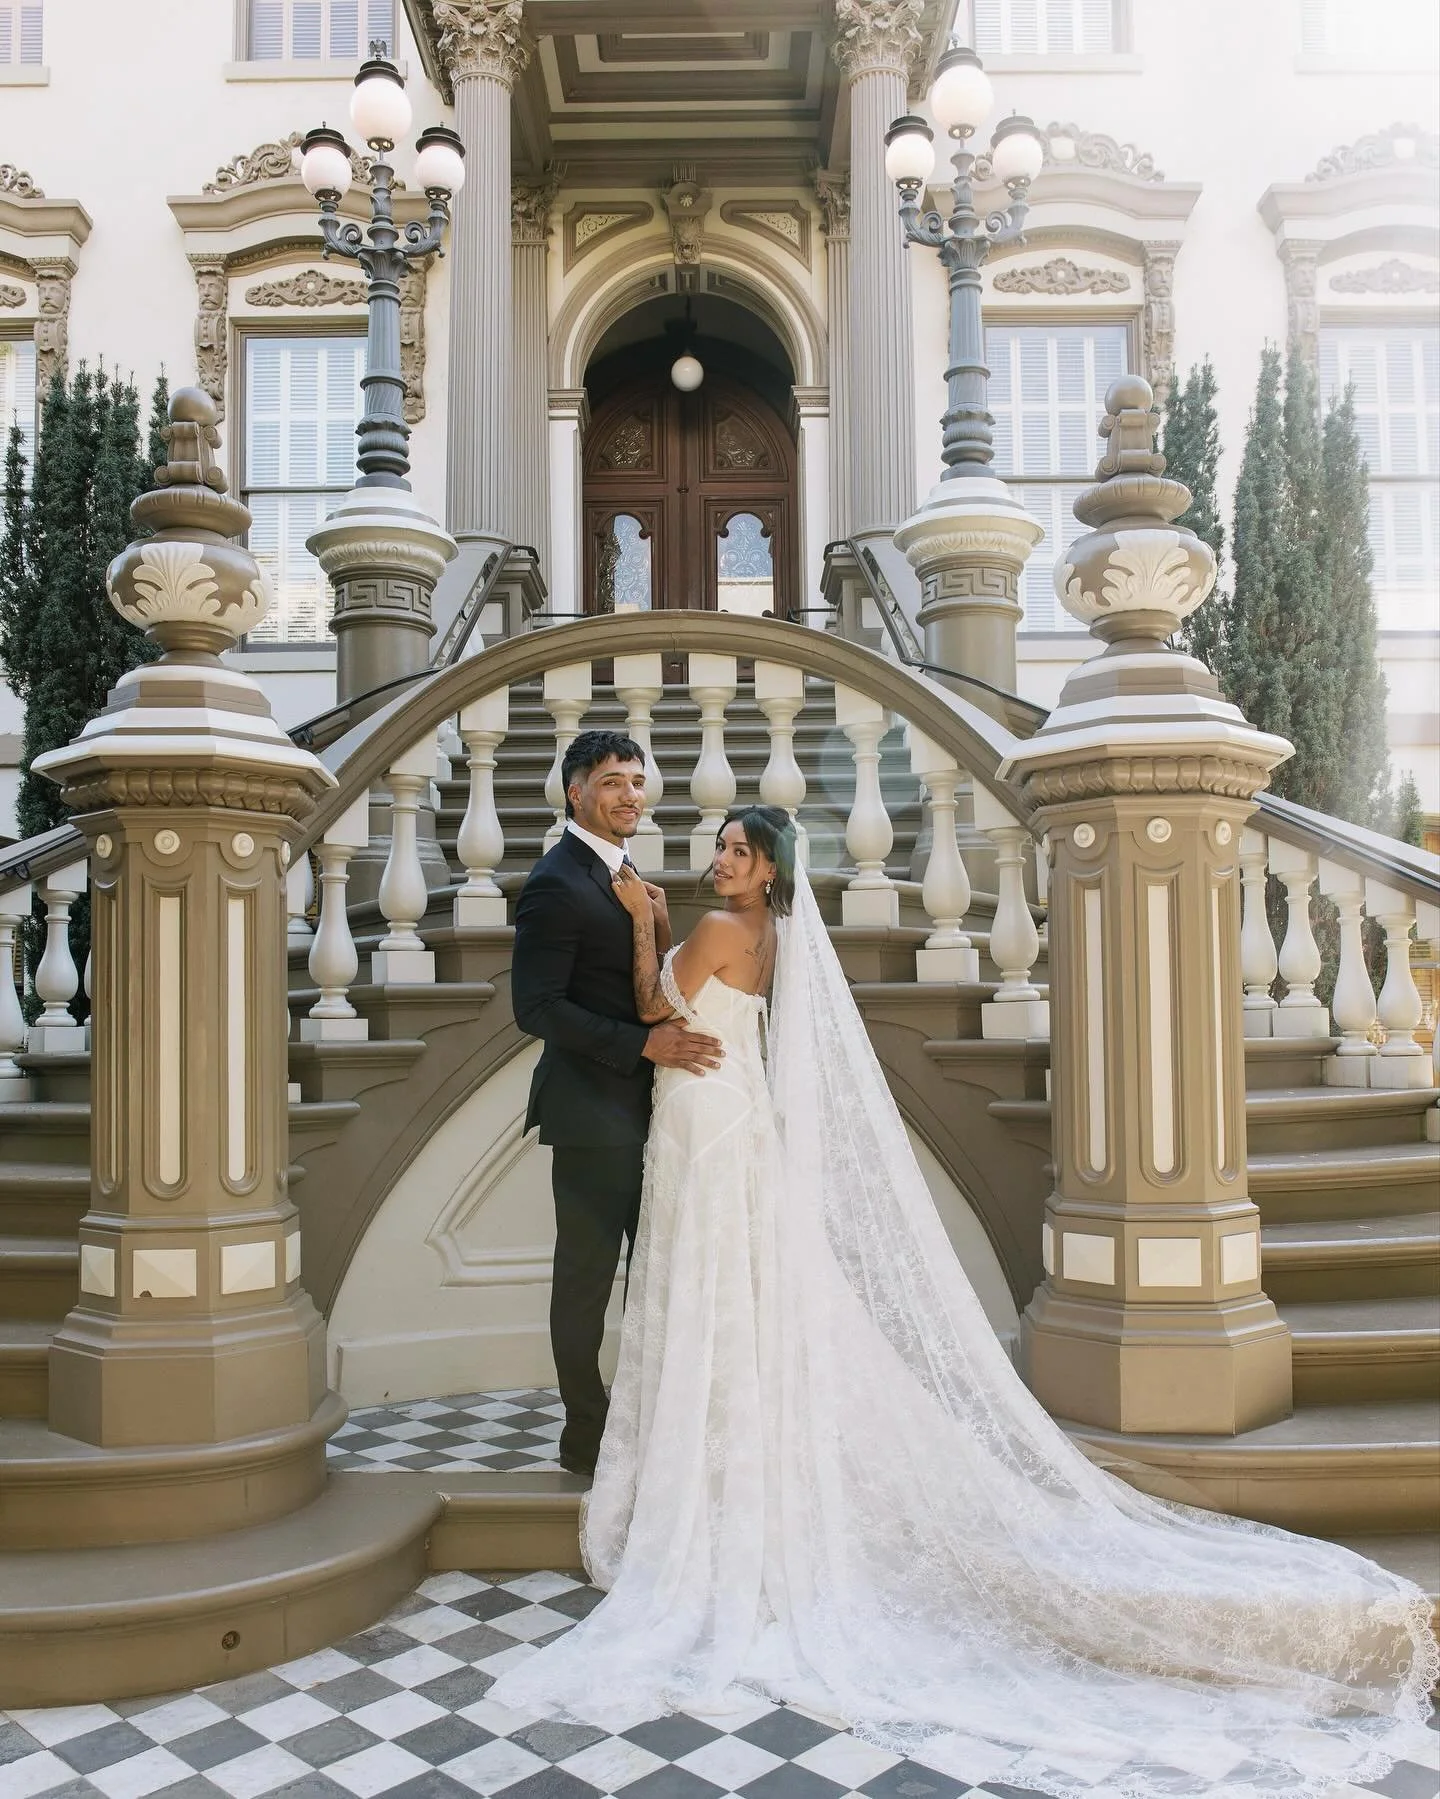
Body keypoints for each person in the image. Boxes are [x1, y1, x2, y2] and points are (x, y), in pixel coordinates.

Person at [494, 803, 1437, 1797]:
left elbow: (651, 1009)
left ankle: (716, 1477)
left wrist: (643, 920)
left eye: (741, 851)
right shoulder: (766, 935)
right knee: (737, 1294)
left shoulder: (726, 929)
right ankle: (736, 1445)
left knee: (718, 1287)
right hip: (726, 1119)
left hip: (711, 1125)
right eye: (723, 846)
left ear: (768, 874)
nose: (722, 860)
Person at [511, 730, 723, 1476]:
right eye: (612, 781)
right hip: (592, 1115)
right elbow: (535, 1007)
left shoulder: (623, 871)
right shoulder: (555, 881)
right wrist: (642, 1047)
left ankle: (646, 1421)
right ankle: (585, 1435)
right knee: (586, 1283)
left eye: (637, 780)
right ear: (576, 791)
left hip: (652, 1111)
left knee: (659, 1274)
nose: (631, 793)